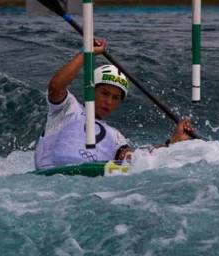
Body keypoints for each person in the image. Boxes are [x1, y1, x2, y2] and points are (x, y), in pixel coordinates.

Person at [34, 38, 193, 169]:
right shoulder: (68, 108)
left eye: (115, 98)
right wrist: (87, 54)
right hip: (49, 175)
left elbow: (137, 160)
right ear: (91, 89)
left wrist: (171, 142)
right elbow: (55, 87)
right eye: (105, 93)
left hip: (82, 184)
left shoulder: (115, 136)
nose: (109, 101)